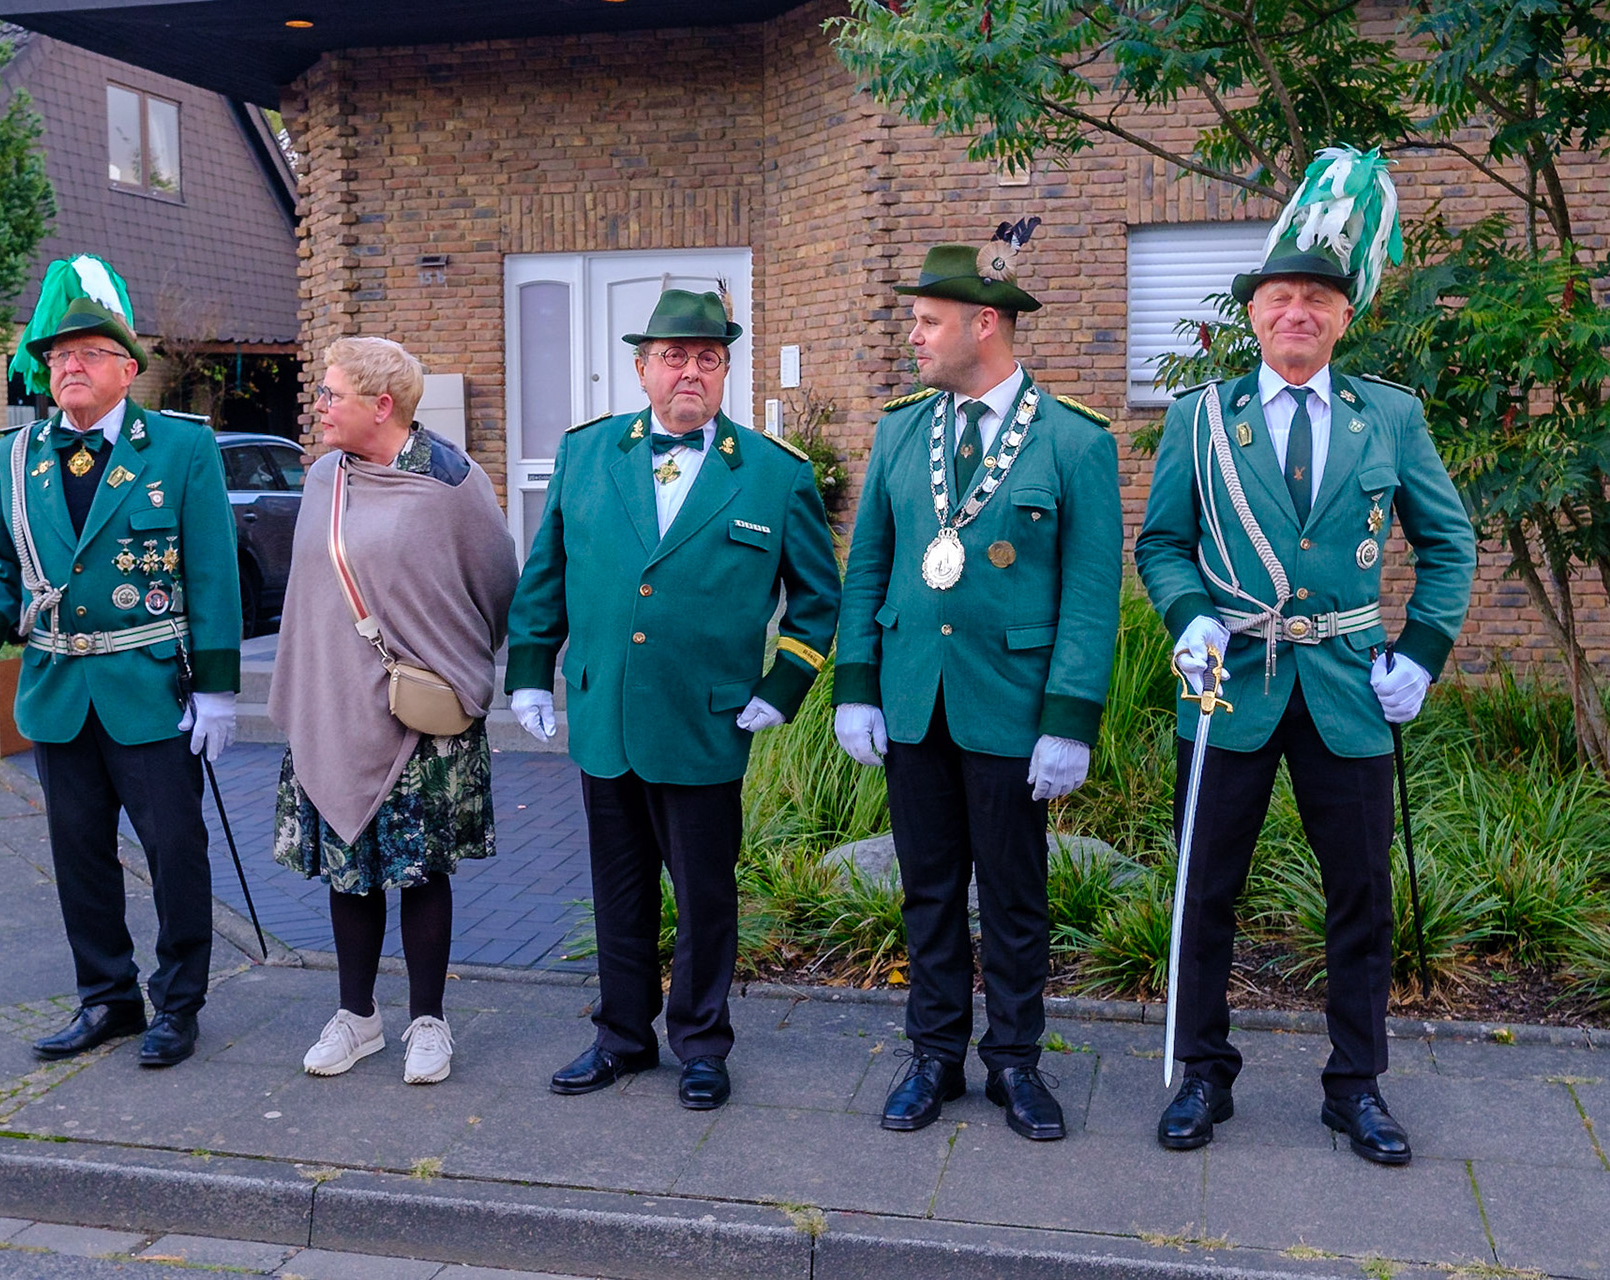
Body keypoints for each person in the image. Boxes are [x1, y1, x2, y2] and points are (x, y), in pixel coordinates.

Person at [1135, 147, 1476, 1165]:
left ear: (1341, 316)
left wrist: (1421, 647)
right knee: (1206, 887)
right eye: (1279, 296)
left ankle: (1355, 1085)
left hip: (1347, 681)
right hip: (1229, 678)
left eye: (1316, 298)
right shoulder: (1201, 419)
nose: (1296, 312)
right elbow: (1159, 541)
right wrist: (1188, 611)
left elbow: (1449, 542)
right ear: (1253, 315)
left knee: (1359, 895)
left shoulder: (1392, 415)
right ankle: (1202, 1073)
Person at [505, 288, 841, 1111]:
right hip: (607, 714)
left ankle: (700, 1043)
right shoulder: (587, 455)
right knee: (618, 891)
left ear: (725, 370)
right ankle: (621, 1037)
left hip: (706, 719)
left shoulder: (774, 474)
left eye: (708, 358)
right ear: (642, 368)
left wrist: (782, 686)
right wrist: (527, 670)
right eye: (675, 357)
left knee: (704, 897)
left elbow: (818, 599)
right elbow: (546, 573)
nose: (691, 371)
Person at [833, 232, 1123, 1138]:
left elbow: (1090, 591)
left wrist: (1070, 717)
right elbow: (867, 567)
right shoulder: (898, 429)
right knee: (927, 891)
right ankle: (932, 1059)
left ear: (984, 323)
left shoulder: (1074, 440)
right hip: (916, 696)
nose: (913, 337)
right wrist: (856, 687)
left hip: (1013, 704)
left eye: (927, 321)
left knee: (1013, 894)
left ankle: (1016, 1065)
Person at [0, 255, 240, 1069]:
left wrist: (217, 691)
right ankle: (108, 998)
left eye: (90, 353)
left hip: (149, 688)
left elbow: (212, 573)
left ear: (128, 370)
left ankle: (179, 1004)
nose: (69, 365)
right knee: (80, 857)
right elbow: (3, 567)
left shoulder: (178, 448)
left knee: (175, 852)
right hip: (58, 687)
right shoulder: (18, 455)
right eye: (58, 355)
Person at [267, 336, 517, 1086]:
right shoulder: (321, 479)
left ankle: (428, 1022)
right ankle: (358, 1018)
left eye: (332, 394)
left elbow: (498, 587)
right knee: (350, 871)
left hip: (421, 719)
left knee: (420, 871)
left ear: (381, 406)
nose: (319, 406)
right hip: (333, 706)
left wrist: (450, 661)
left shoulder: (451, 482)